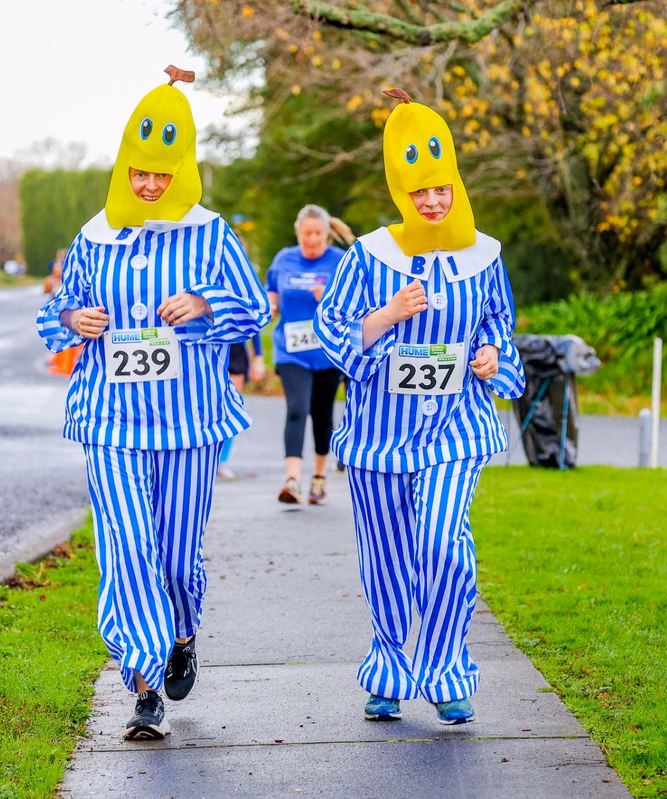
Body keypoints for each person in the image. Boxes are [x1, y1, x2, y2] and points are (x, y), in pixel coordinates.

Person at [36, 66, 270, 741]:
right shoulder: (93, 238)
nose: (149, 185)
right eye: (139, 172)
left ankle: (182, 632)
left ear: (182, 172)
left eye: (162, 175)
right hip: (110, 420)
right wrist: (74, 317)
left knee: (172, 556)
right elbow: (54, 316)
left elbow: (254, 307)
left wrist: (203, 306)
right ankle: (143, 686)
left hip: (190, 423)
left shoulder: (212, 235)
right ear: (123, 168)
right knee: (125, 545)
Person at [314, 89, 526, 726]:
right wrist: (389, 314)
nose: (432, 202)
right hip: (380, 435)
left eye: (441, 189)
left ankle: (445, 665)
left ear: (455, 186)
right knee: (386, 560)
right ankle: (388, 667)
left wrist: (490, 354)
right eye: (418, 193)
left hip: (454, 430)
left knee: (442, 543)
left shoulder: (484, 256)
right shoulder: (369, 256)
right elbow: (332, 332)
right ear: (399, 193)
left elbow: (499, 327)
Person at [265, 205, 351, 505]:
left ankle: (319, 478)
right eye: (307, 234)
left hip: (328, 351)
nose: (312, 239)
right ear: (298, 232)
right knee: (297, 409)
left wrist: (329, 296)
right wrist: (270, 307)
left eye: (317, 234)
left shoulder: (340, 261)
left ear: (326, 234)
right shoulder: (284, 259)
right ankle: (292, 480)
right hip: (292, 351)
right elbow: (272, 292)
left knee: (322, 414)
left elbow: (354, 304)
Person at [217, 333, 265, 479]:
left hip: (233, 346)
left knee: (230, 407)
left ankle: (221, 461)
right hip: (203, 343)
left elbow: (249, 314)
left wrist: (258, 356)